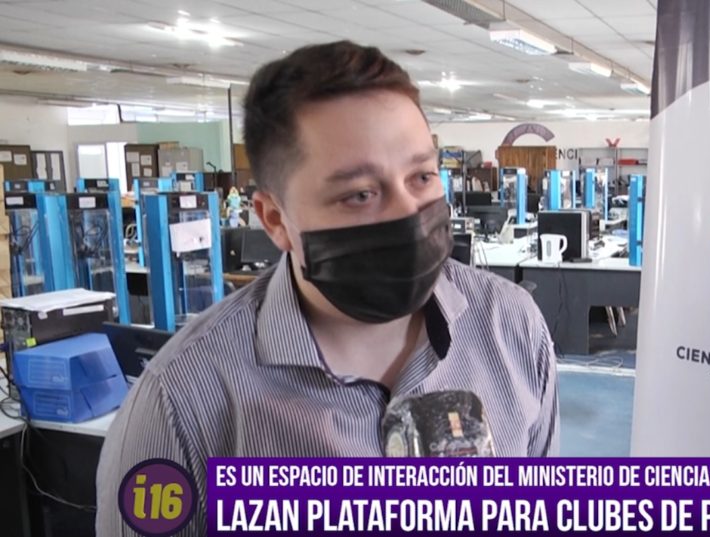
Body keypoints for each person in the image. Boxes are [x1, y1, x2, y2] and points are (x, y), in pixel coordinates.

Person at [97, 41, 559, 534]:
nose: (408, 211)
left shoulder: (513, 327)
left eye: (422, 176)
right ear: (275, 220)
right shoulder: (179, 403)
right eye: (359, 194)